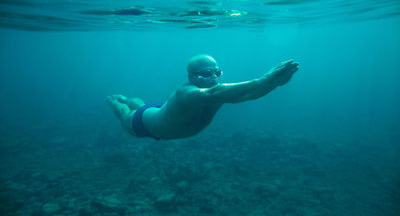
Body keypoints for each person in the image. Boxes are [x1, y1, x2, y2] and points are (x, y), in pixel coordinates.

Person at [106, 54, 299, 140]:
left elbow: (247, 96)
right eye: (206, 74)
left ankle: (128, 99)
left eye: (217, 72)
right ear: (191, 76)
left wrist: (275, 83)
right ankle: (115, 99)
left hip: (161, 114)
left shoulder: (216, 90)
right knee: (125, 116)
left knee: (144, 105)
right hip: (142, 124)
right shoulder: (187, 93)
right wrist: (264, 79)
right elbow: (215, 93)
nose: (213, 78)